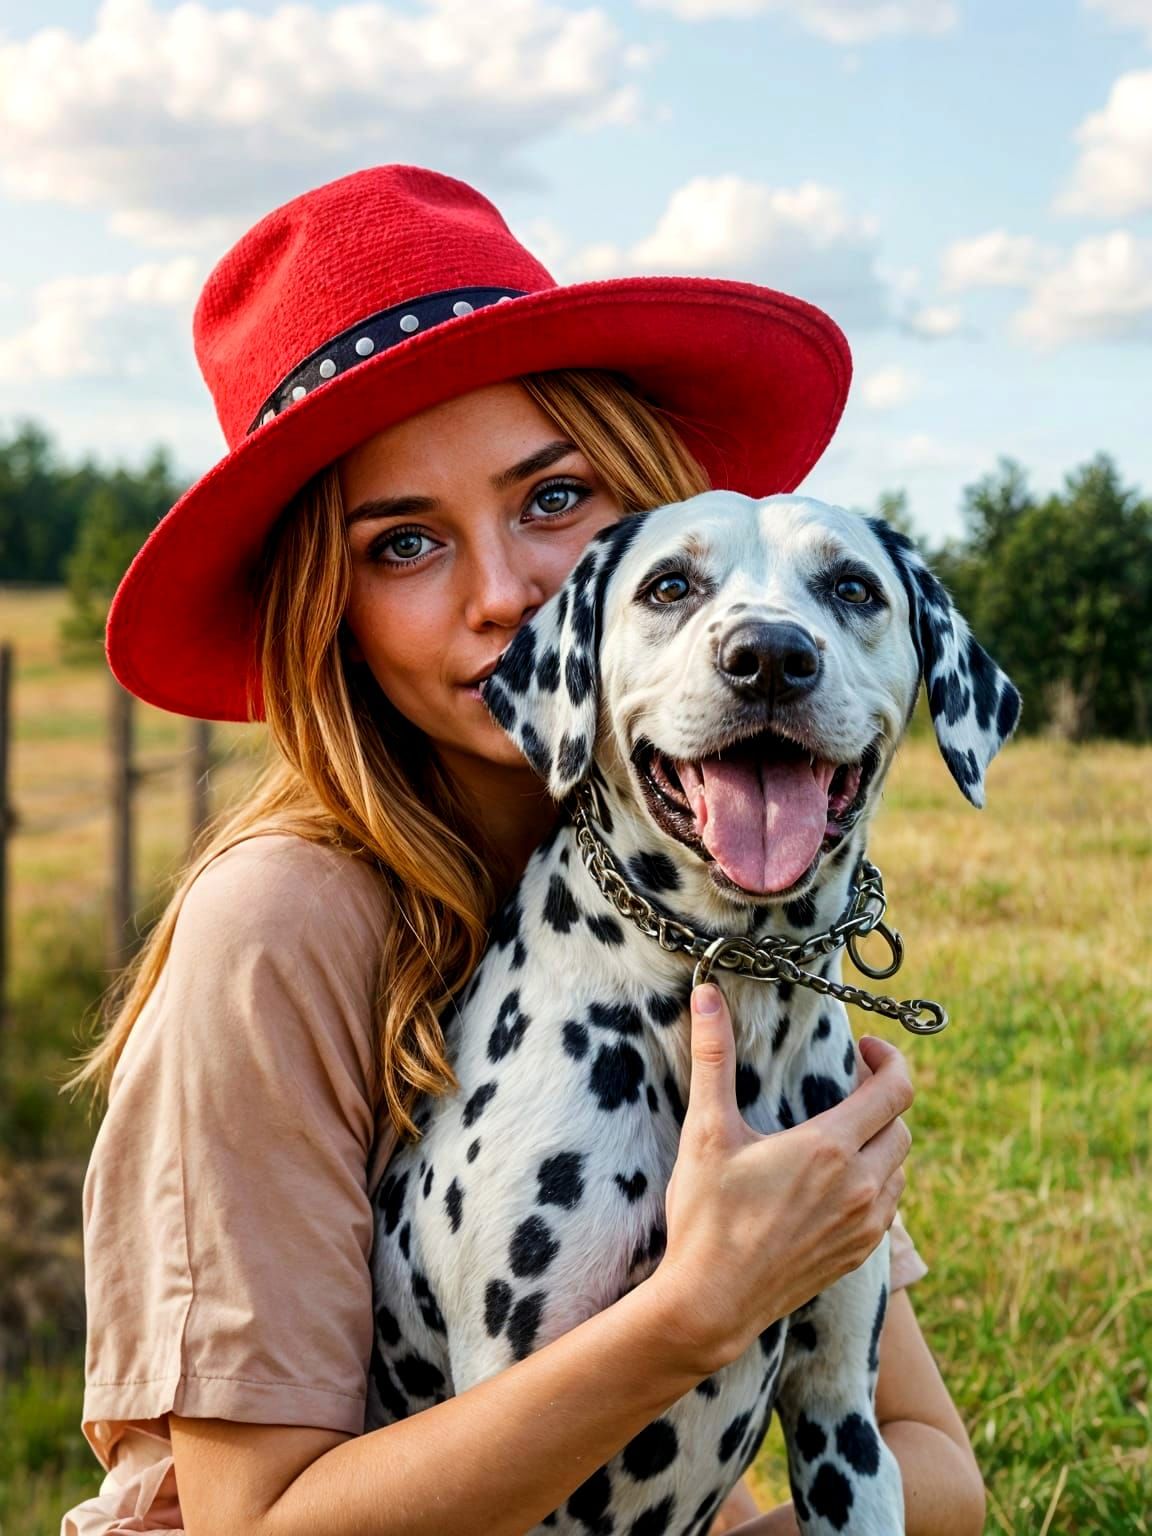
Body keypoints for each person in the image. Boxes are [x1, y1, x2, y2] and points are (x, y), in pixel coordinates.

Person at [61, 164, 985, 1536]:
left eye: (556, 500)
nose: (505, 595)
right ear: (331, 614)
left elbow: (926, 1468)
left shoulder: (720, 900)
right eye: (406, 544)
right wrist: (690, 1316)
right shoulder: (280, 925)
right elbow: (255, 1528)